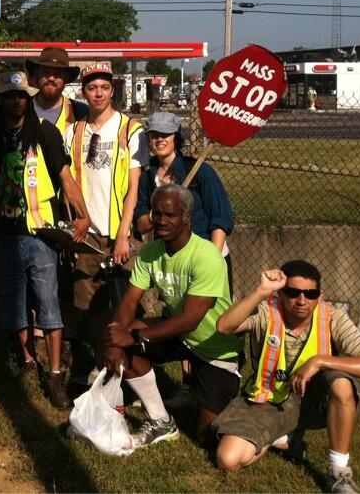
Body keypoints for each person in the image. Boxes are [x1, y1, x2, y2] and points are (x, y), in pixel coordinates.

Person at [213, 261, 360, 493]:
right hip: (270, 400)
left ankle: (338, 472)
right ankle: (284, 436)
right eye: (293, 292)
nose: (302, 300)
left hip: (313, 400)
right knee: (228, 460)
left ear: (320, 295)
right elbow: (224, 326)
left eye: (310, 293)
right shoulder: (267, 311)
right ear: (281, 294)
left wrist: (319, 361)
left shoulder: (333, 317)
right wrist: (262, 290)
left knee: (342, 383)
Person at [0, 71, 89, 409]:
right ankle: (26, 361)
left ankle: (53, 374)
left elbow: (65, 178)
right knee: (14, 303)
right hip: (4, 235)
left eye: (22, 95)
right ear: (1, 101)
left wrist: (82, 214)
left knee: (48, 303)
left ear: (28, 99)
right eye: (10, 95)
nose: (17, 101)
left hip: (40, 234)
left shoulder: (45, 134)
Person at [103, 184, 242, 447]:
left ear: (187, 218)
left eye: (170, 215)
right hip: (180, 336)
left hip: (214, 347)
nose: (161, 221)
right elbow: (130, 300)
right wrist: (115, 338)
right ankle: (160, 420)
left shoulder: (207, 256)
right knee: (126, 336)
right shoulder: (151, 251)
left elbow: (191, 319)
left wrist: (133, 337)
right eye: (157, 214)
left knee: (206, 437)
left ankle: (247, 406)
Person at [63, 61, 148, 390]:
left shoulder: (130, 129)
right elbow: (68, 184)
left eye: (104, 87)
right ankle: (102, 367)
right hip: (88, 234)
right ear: (83, 91)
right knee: (91, 307)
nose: (97, 93)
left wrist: (124, 235)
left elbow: (133, 189)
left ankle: (132, 372)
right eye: (91, 87)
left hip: (119, 234)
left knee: (126, 305)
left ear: (113, 90)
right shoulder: (75, 131)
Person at [135, 111, 234, 288]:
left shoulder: (199, 171)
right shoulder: (147, 177)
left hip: (205, 258)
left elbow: (221, 219)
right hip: (172, 261)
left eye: (166, 135)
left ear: (176, 138)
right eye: (155, 135)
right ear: (148, 140)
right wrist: (160, 212)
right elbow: (142, 224)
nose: (160, 140)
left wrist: (213, 261)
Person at [25, 46, 88, 136]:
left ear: (66, 78)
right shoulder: (23, 108)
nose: (51, 78)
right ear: (37, 74)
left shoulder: (80, 112)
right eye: (46, 72)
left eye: (57, 74)